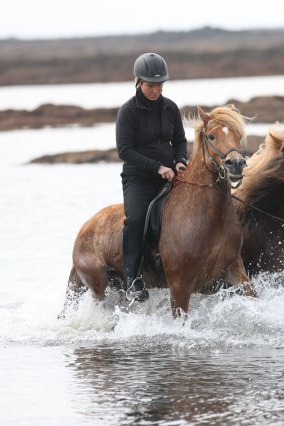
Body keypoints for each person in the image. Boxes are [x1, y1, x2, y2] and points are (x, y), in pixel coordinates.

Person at [116, 52, 187, 302]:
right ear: (138, 82)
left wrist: (180, 160)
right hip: (139, 178)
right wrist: (157, 167)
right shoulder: (128, 111)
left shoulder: (170, 108)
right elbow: (124, 151)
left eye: (159, 85)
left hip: (170, 175)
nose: (156, 90)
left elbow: (179, 140)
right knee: (135, 220)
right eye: (150, 86)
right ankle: (132, 279)